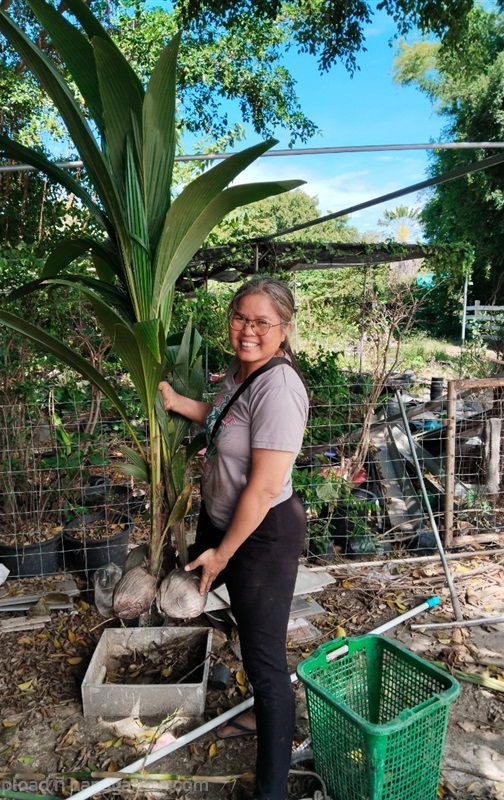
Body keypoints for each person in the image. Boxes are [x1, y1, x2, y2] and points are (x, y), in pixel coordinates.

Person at [158, 277, 309, 800]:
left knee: (266, 662)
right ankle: (255, 715)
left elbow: (265, 486)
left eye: (262, 322)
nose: (248, 330)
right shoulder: (238, 373)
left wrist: (223, 553)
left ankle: (272, 790)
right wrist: (180, 403)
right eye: (240, 317)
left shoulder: (281, 389)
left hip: (260, 535)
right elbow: (225, 421)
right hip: (225, 523)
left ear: (284, 329)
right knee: (247, 634)